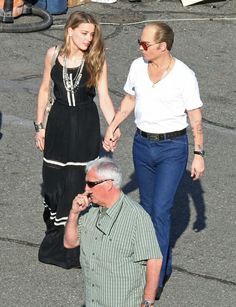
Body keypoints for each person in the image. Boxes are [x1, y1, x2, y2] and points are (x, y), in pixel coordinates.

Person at [103, 22, 205, 299]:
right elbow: (128, 100)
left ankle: (153, 281)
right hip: (142, 145)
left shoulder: (184, 75)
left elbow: (195, 116)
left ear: (163, 47)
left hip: (172, 148)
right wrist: (113, 126)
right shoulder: (138, 67)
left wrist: (198, 154)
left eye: (145, 44)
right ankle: (162, 265)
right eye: (140, 41)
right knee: (147, 212)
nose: (140, 47)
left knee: (160, 210)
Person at [34, 12, 119, 269]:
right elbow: (44, 90)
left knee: (76, 181)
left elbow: (103, 97)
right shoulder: (52, 54)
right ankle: (56, 234)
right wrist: (40, 126)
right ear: (70, 30)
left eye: (92, 34)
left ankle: (74, 246)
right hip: (58, 123)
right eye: (84, 33)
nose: (88, 38)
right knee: (53, 181)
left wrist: (113, 126)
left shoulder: (95, 59)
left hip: (84, 124)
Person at [64, 157, 162, 307]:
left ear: (108, 184)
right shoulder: (89, 211)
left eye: (91, 184)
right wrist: (74, 213)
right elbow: (70, 243)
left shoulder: (136, 217)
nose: (86, 189)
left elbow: (154, 260)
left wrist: (148, 302)